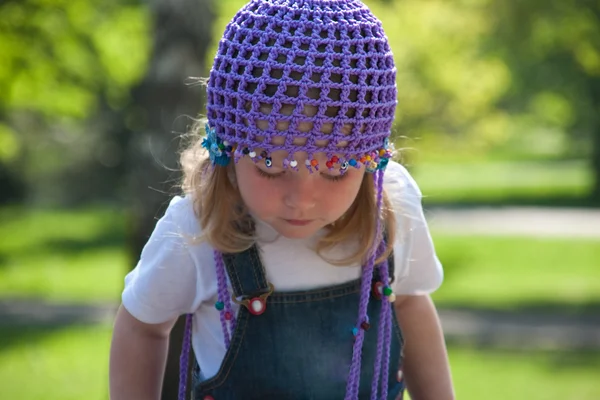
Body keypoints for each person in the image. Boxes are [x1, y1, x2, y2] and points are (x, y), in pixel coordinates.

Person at [109, 0, 454, 399]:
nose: (301, 199)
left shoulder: (390, 206)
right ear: (229, 150)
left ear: (369, 161)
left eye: (336, 168)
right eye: (271, 165)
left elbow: (410, 306)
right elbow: (141, 326)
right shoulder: (196, 230)